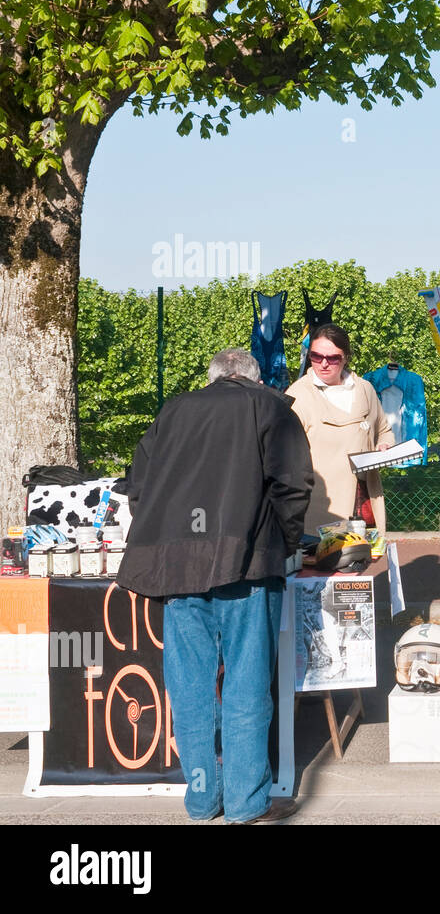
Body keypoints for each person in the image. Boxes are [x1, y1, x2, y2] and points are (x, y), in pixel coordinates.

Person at [117, 348, 313, 824]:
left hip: (178, 567)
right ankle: (246, 805)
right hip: (247, 565)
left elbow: (137, 488)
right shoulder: (270, 406)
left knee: (191, 689)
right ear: (253, 376)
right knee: (246, 686)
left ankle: (203, 801)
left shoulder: (174, 410)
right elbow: (293, 487)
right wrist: (285, 544)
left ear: (213, 378)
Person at [285, 323, 395, 534]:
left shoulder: (365, 389)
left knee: (365, 561)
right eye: (316, 356)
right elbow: (285, 454)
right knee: (323, 564)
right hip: (320, 506)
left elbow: (384, 430)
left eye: (333, 358)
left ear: (346, 357)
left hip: (363, 499)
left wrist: (385, 445)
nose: (323, 364)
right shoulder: (298, 395)